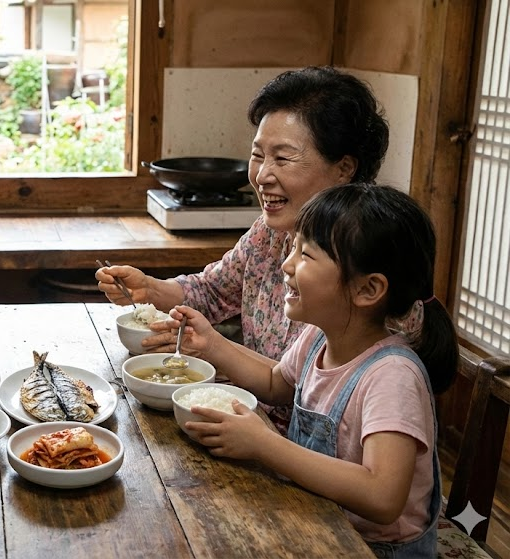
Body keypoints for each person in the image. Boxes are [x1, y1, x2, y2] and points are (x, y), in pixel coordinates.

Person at [96, 65, 390, 432]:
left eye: (282, 158)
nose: (262, 176)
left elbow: (318, 405)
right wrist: (149, 289)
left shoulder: (372, 265)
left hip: (304, 455)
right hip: (248, 423)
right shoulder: (269, 234)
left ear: (344, 168)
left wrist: (215, 348)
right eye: (257, 155)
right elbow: (212, 291)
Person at [173, 183, 457, 557]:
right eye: (293, 249)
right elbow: (277, 383)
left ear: (368, 289)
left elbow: (382, 495)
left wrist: (265, 445)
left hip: (370, 549)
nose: (286, 265)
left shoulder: (392, 377)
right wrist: (212, 344)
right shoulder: (318, 337)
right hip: (318, 520)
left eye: (306, 254)